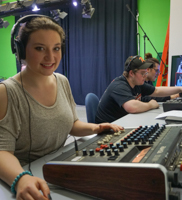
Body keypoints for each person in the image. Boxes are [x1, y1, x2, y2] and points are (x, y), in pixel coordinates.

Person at [0, 15, 123, 200]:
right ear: (20, 51)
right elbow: (2, 151)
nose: (50, 57)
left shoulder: (62, 81)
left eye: (56, 48)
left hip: (56, 168)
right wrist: (21, 179)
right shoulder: (7, 91)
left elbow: (71, 124)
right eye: (40, 48)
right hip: (25, 178)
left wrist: (95, 128)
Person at [95, 55, 182, 124]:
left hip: (122, 122)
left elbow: (156, 91)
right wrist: (150, 105)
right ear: (131, 73)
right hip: (107, 128)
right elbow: (132, 107)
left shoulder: (137, 82)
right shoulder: (119, 85)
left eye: (146, 73)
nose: (145, 76)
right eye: (142, 73)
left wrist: (180, 89)